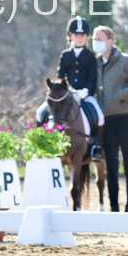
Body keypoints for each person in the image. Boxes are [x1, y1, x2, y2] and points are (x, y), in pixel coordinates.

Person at [93, 26, 128, 212]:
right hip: (106, 121)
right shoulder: (95, 64)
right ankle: (114, 206)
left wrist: (120, 94)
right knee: (111, 165)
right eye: (94, 38)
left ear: (110, 40)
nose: (96, 41)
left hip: (126, 118)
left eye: (100, 38)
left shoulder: (126, 61)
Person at [35, 16, 104, 160]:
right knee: (40, 113)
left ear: (86, 37)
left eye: (82, 35)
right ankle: (40, 143)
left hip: (85, 95)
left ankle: (96, 145)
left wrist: (85, 91)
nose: (79, 38)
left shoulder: (91, 56)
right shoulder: (65, 55)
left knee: (99, 116)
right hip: (66, 94)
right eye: (76, 35)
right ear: (70, 36)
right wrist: (65, 90)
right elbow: (60, 75)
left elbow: (92, 78)